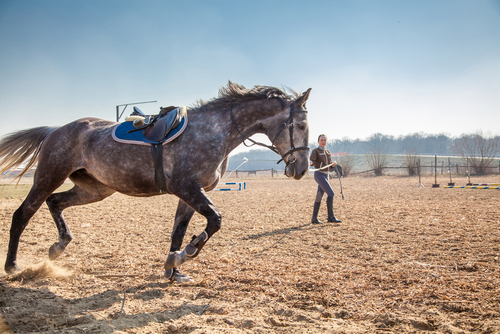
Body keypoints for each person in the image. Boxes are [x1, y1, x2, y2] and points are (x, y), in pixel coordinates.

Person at [309, 134, 342, 224]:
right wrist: (310, 163)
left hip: (326, 175)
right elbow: (312, 161)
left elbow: (329, 166)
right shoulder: (315, 151)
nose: (323, 141)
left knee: (319, 196)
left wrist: (333, 165)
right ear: (318, 141)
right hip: (319, 174)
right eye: (321, 140)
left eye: (324, 140)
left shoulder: (327, 152)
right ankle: (331, 217)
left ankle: (314, 219)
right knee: (331, 193)